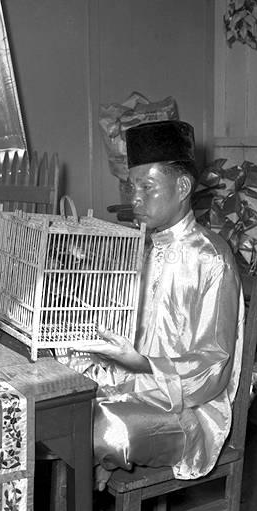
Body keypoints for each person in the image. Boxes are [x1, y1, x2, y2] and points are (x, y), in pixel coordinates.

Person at [73, 120, 244, 491]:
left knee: (105, 427)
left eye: (146, 186)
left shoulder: (211, 259)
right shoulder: (143, 248)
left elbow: (213, 367)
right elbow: (119, 321)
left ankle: (103, 463)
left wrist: (143, 364)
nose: (135, 198)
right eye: (130, 186)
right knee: (59, 394)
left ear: (182, 187)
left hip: (188, 409)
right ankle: (98, 467)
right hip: (131, 384)